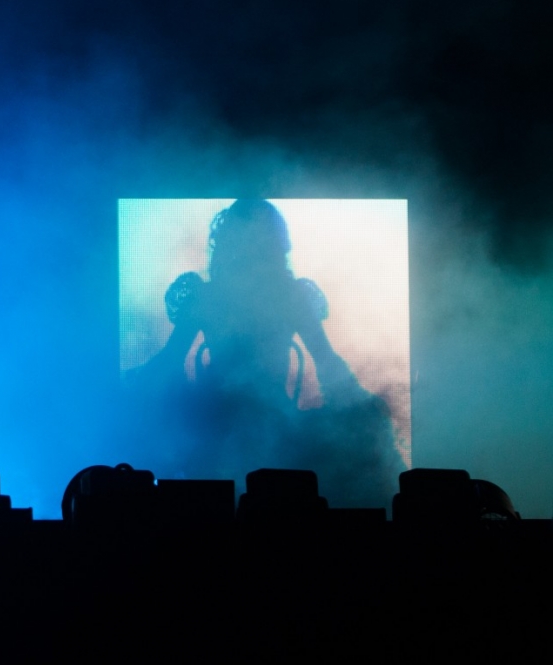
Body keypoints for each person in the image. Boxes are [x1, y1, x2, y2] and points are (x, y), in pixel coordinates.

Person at [128, 198, 397, 500]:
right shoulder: (215, 296)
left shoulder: (279, 296)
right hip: (217, 426)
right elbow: (170, 361)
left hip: (270, 426)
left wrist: (363, 409)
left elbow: (326, 361)